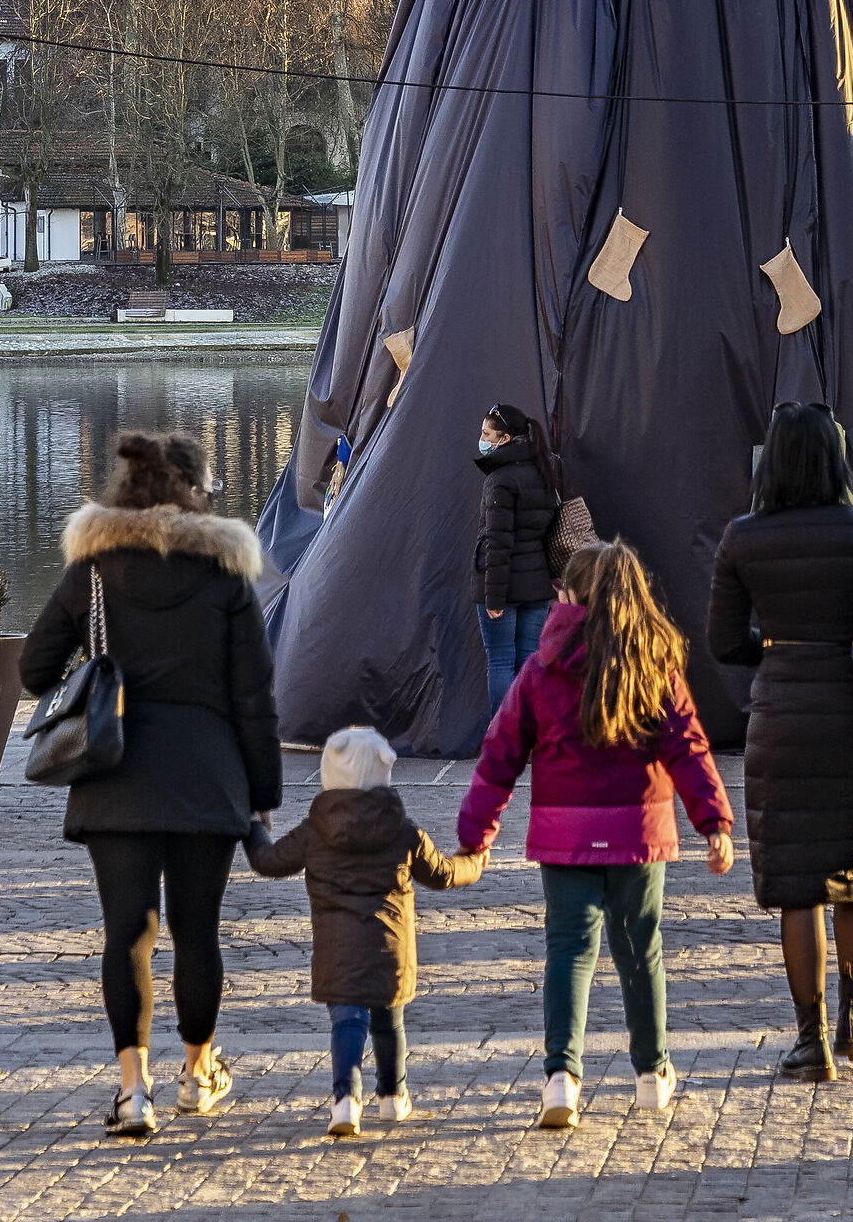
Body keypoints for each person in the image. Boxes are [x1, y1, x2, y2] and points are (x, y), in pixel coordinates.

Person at [20, 432, 283, 1138]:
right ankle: (200, 1073)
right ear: (195, 491)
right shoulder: (226, 575)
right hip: (208, 772)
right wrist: (264, 790)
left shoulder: (93, 571)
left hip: (115, 773)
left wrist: (96, 656)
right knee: (198, 932)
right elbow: (254, 695)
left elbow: (33, 670)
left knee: (126, 934)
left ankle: (133, 1091)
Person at [458, 538, 733, 1131]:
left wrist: (475, 833)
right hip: (638, 831)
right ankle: (653, 1074)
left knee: (568, 952)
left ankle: (562, 1076)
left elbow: (498, 756)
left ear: (572, 597)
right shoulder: (653, 664)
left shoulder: (539, 669)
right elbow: (687, 747)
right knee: (641, 951)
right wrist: (712, 823)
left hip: (566, 834)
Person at [706, 400, 853, 1080]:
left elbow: (722, 642)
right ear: (835, 459)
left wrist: (778, 645)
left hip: (782, 720)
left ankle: (809, 1041)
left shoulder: (744, 537)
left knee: (796, 887)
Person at [245, 725, 485, 1136]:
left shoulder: (315, 831)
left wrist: (253, 825)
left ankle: (345, 1101)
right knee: (389, 1020)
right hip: (389, 949)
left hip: (337, 950)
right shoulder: (402, 830)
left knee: (347, 1019)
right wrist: (474, 863)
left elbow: (267, 860)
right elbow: (444, 873)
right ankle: (393, 1096)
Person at [474, 403, 560, 716]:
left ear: (505, 439)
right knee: (528, 661)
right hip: (536, 585)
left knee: (499, 660)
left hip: (504, 586)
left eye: (486, 434)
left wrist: (494, 598)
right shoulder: (543, 473)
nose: (481, 438)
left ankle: (504, 739)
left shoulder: (500, 480)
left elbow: (497, 543)